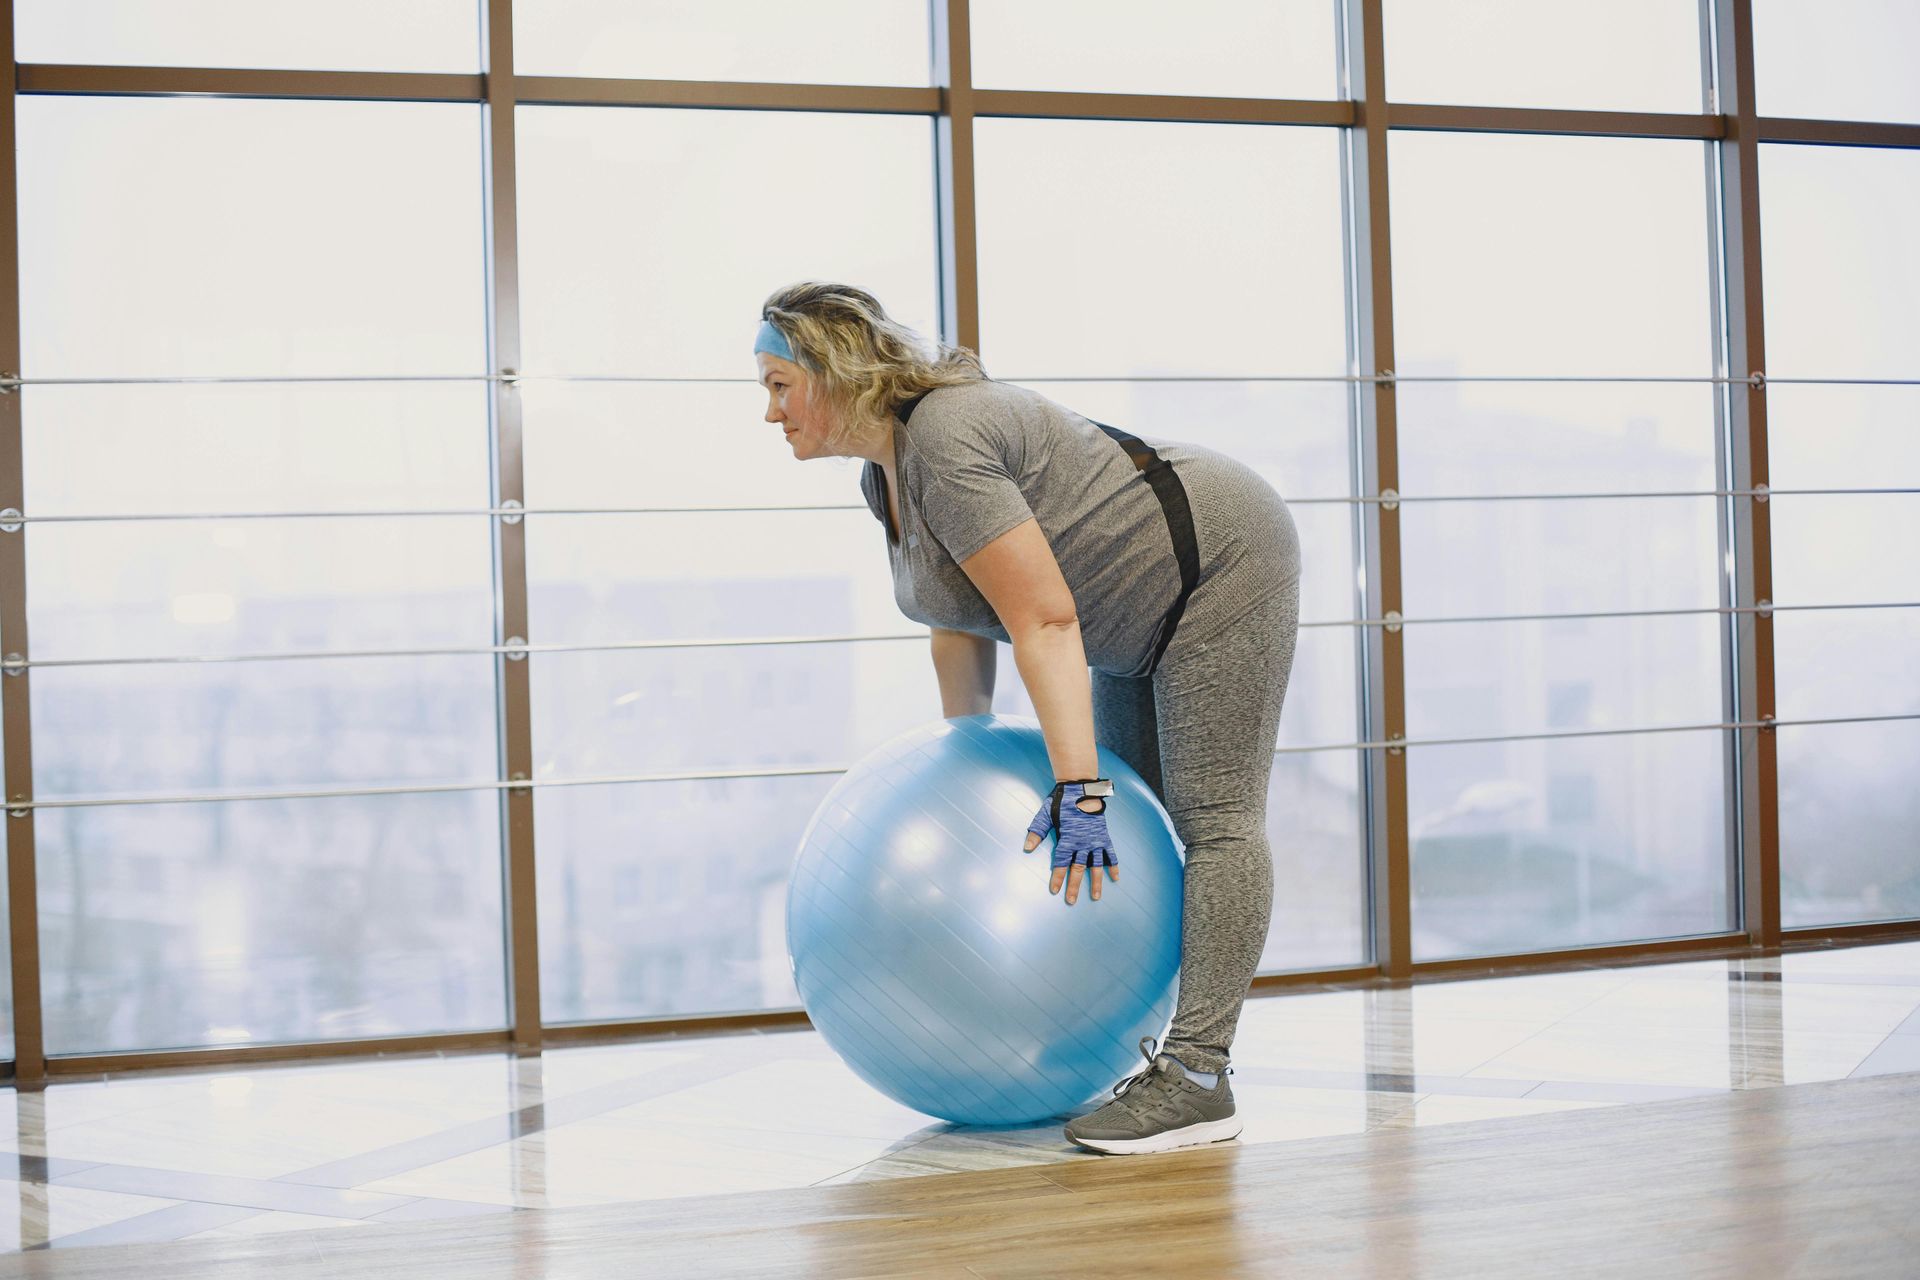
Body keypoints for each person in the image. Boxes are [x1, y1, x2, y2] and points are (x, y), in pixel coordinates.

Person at [754, 281, 1300, 1156]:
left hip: (1218, 556)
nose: (771, 413)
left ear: (836, 372)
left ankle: (1198, 1077)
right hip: (1129, 613)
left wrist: (1079, 789)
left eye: (780, 384)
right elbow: (957, 624)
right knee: (1140, 832)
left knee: (1211, 818)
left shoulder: (945, 438)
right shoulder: (882, 477)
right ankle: (1146, 1060)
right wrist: (958, 764)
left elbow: (1042, 619)